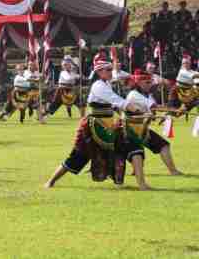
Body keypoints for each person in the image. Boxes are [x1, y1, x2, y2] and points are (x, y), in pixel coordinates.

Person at [44, 61, 151, 191]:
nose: (111, 72)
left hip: (110, 125)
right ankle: (51, 181)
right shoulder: (98, 86)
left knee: (133, 147)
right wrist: (135, 108)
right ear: (100, 72)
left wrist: (137, 111)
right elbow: (117, 100)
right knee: (78, 156)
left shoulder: (106, 84)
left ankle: (142, 184)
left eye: (111, 69)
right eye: (108, 69)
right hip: (94, 127)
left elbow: (114, 105)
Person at [126, 70, 182, 176]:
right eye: (147, 82)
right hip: (130, 130)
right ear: (138, 82)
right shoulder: (134, 94)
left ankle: (173, 171)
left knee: (163, 145)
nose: (150, 84)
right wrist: (175, 110)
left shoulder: (147, 95)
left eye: (150, 82)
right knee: (136, 154)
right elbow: (155, 107)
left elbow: (154, 110)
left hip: (142, 129)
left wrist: (168, 113)